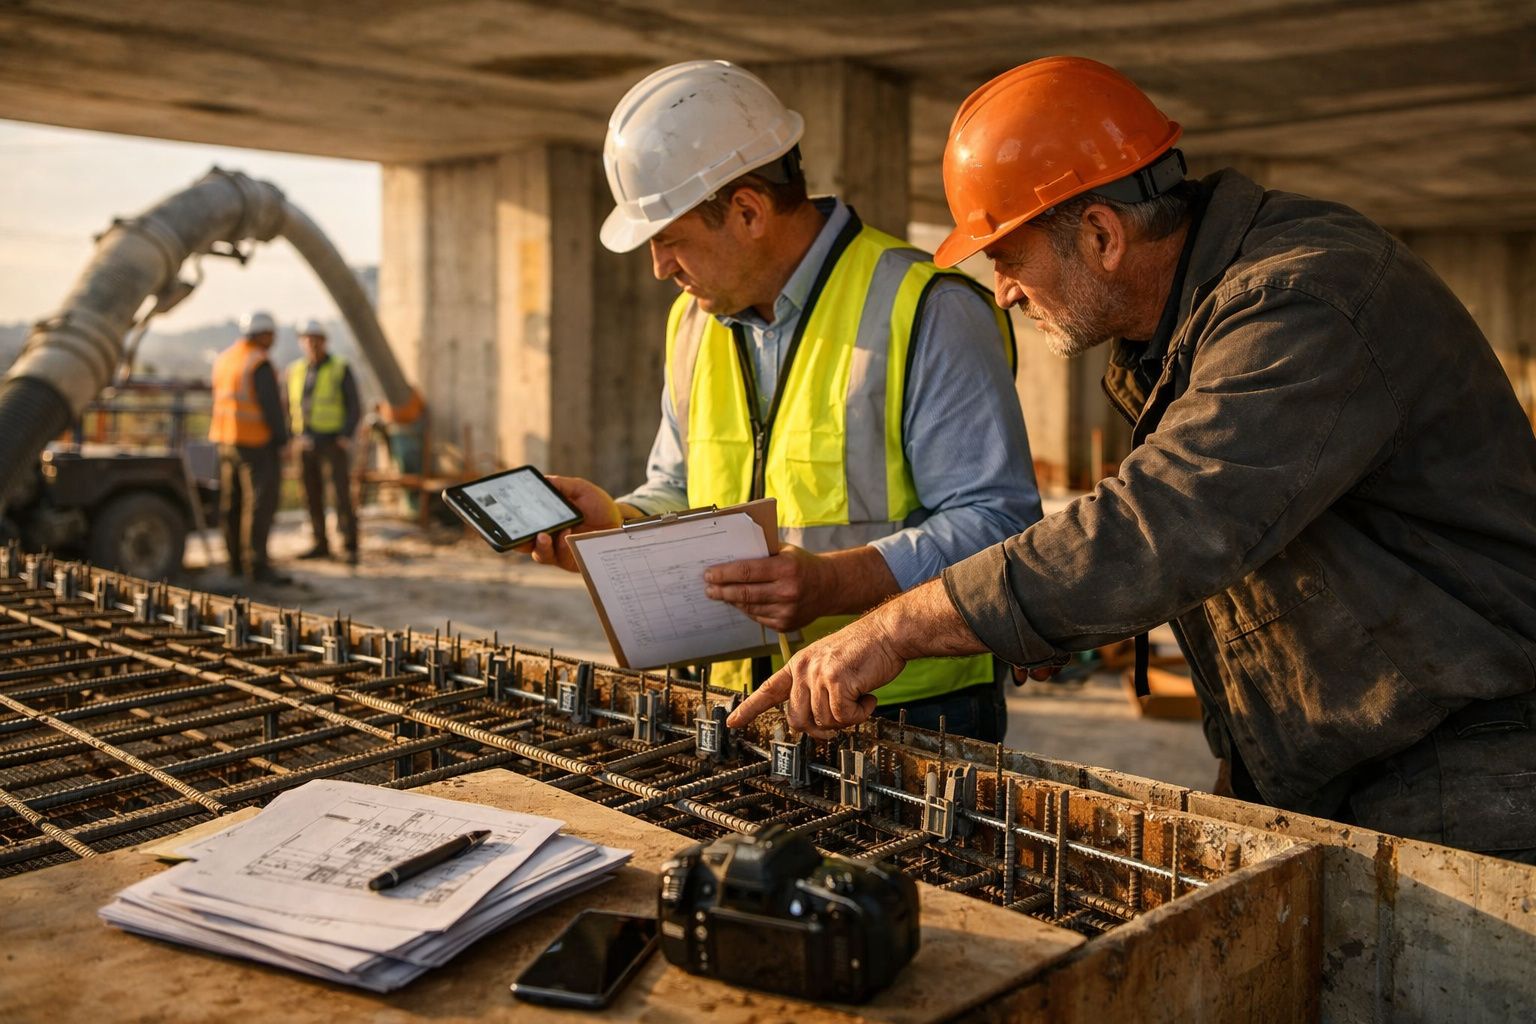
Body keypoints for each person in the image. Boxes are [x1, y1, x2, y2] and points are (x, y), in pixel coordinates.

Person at [729, 56, 1536, 860]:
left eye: (1007, 259)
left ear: (1101, 234)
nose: (1003, 292)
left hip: (1462, 765)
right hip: (1348, 750)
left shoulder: (1302, 300)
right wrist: (1047, 617)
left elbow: (1168, 521)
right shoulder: (1185, 327)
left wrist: (897, 627)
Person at [530, 60, 1042, 741]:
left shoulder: (928, 308)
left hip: (902, 710)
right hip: (736, 701)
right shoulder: (693, 323)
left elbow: (999, 526)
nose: (659, 268)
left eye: (670, 240)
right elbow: (681, 486)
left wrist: (837, 584)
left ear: (748, 211)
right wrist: (617, 526)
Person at [208, 310, 289, 584]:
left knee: (231, 503)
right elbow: (271, 407)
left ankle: (234, 563)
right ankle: (256, 565)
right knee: (258, 505)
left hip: (225, 440)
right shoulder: (258, 363)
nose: (273, 340)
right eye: (271, 335)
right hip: (255, 443)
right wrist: (282, 440)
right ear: (263, 334)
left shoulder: (225, 359)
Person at [287, 319, 361, 565]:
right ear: (301, 342)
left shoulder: (339, 367)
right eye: (307, 339)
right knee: (311, 495)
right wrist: (291, 438)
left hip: (331, 441)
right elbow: (289, 405)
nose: (312, 344)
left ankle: (349, 545)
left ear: (324, 341)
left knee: (340, 495)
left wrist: (345, 436)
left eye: (316, 339)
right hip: (304, 442)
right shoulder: (295, 370)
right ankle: (320, 543)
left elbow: (354, 405)